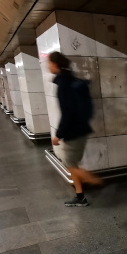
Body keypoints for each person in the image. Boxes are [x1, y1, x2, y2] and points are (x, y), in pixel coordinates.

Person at [48, 51, 103, 207]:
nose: (48, 66)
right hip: (79, 129)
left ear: (56, 65)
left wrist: (58, 135)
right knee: (72, 164)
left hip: (74, 132)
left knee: (71, 164)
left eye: (49, 63)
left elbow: (68, 112)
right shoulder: (69, 80)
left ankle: (95, 180)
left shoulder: (63, 85)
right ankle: (80, 197)